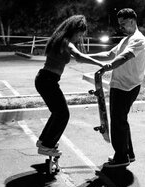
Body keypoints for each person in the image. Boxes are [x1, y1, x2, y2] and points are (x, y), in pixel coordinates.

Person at [35, 15, 103, 156]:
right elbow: (79, 57)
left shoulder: (59, 40)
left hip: (45, 79)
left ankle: (43, 141)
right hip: (48, 81)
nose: (79, 38)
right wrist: (100, 64)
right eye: (79, 34)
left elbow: (76, 57)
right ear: (74, 30)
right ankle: (46, 145)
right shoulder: (66, 42)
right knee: (63, 114)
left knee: (57, 112)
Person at [88, 8, 145, 168]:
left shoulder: (138, 40)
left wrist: (107, 67)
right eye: (119, 24)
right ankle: (128, 153)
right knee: (122, 120)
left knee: (117, 121)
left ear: (132, 21)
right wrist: (86, 57)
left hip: (126, 86)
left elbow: (123, 57)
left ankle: (121, 157)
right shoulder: (126, 39)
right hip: (121, 85)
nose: (120, 26)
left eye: (123, 23)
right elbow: (110, 54)